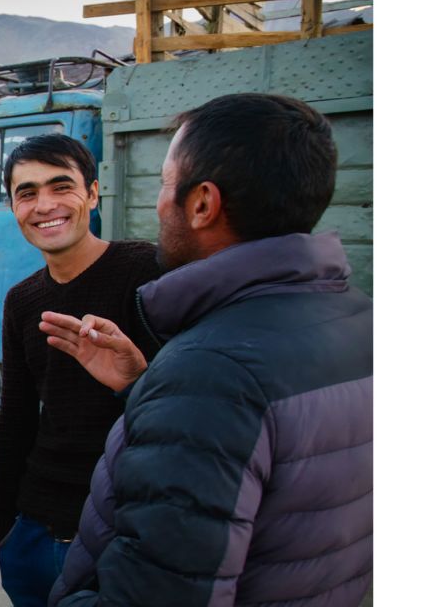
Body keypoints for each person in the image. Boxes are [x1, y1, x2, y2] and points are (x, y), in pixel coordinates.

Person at [41, 93, 373, 606]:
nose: (158, 202)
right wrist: (142, 386)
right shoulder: (364, 320)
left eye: (166, 185)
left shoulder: (212, 373)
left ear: (202, 204)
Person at [0, 133, 162, 607]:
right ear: (13, 207)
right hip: (32, 530)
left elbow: (192, 409)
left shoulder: (147, 272)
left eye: (60, 186)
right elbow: (16, 420)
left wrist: (138, 378)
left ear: (92, 192)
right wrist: (5, 529)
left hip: (115, 529)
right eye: (27, 193)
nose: (44, 205)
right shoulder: (23, 300)